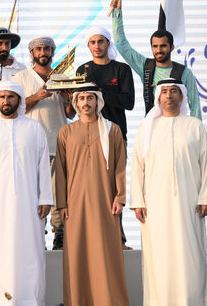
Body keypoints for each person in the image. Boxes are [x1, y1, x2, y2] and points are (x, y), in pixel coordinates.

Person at [0, 81, 53, 304]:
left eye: (11, 97)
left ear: (20, 100)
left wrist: (45, 197)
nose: (6, 101)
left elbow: (43, 166)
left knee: (29, 252)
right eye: (2, 97)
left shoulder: (34, 129)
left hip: (29, 202)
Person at [131, 78, 207, 305]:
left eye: (174, 91)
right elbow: (138, 166)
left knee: (190, 256)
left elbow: (206, 163)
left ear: (182, 96)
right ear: (158, 97)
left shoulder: (195, 125)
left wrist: (206, 196)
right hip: (155, 205)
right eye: (164, 91)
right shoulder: (147, 128)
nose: (168, 96)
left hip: (190, 204)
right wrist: (138, 200)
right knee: (159, 258)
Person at [55, 84, 129, 306]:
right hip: (74, 204)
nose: (86, 103)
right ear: (75, 103)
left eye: (90, 98)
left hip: (105, 203)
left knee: (106, 255)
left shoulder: (112, 130)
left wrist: (120, 197)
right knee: (77, 257)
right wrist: (62, 203)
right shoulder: (65, 132)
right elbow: (61, 171)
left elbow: (120, 167)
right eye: (81, 99)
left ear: (98, 102)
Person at [11, 36, 74, 250]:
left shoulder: (62, 76)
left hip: (57, 140)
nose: (43, 52)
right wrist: (37, 96)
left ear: (52, 52)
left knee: (58, 191)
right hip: (30, 145)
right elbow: (16, 108)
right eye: (39, 49)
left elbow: (70, 114)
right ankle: (37, 234)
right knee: (33, 192)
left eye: (47, 49)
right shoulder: (21, 77)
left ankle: (59, 235)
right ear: (32, 53)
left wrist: (69, 99)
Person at [75, 26, 134, 249]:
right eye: (93, 42)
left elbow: (128, 102)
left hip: (115, 135)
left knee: (114, 188)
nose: (97, 46)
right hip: (86, 136)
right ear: (88, 45)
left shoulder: (122, 70)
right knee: (87, 186)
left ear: (109, 44)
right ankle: (89, 238)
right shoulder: (83, 70)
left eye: (101, 42)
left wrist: (99, 92)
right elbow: (77, 103)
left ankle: (118, 238)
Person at [110, 0, 201, 118]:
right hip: (152, 128)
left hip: (177, 126)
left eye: (163, 46)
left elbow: (194, 105)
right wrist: (117, 13)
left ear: (172, 47)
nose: (159, 50)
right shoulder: (145, 66)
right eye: (155, 46)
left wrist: (197, 132)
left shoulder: (184, 72)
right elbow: (121, 44)